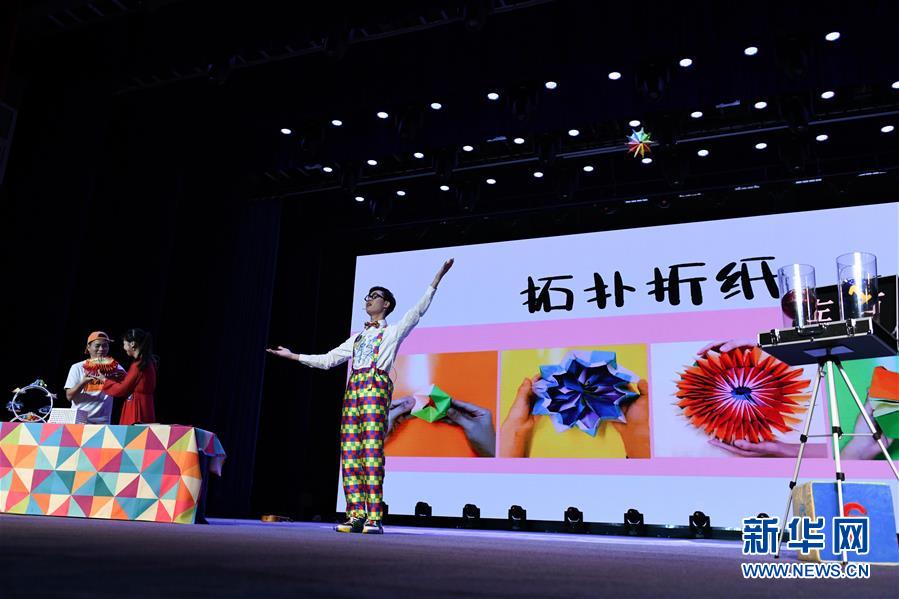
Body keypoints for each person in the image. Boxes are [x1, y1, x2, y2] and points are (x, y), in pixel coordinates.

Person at [268, 259, 454, 534]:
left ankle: (374, 517)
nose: (368, 300)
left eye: (374, 296)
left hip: (375, 389)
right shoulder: (357, 338)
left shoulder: (392, 332)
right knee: (350, 453)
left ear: (386, 304)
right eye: (367, 296)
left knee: (371, 452)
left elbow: (417, 311)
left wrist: (436, 279)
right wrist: (293, 356)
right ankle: (355, 514)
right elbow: (328, 360)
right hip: (353, 391)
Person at [64, 331, 126, 424]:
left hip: (102, 422)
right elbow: (69, 396)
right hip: (78, 421)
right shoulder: (77, 367)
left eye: (105, 345)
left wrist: (115, 381)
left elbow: (128, 387)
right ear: (88, 347)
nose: (101, 349)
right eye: (97, 346)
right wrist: (83, 382)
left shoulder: (115, 367)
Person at [100, 328, 158, 425]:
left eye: (124, 344)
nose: (124, 348)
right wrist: (124, 378)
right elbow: (139, 384)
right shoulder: (147, 362)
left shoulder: (138, 365)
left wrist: (104, 380)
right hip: (146, 407)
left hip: (136, 408)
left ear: (132, 344)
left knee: (134, 434)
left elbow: (121, 389)